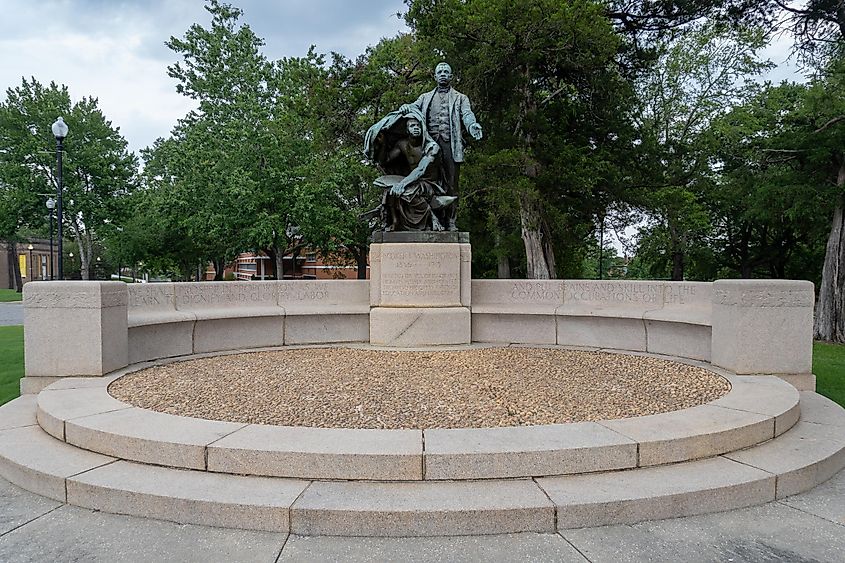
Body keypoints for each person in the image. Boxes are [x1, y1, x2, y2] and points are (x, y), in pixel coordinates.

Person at [399, 62, 483, 231]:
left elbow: (467, 114)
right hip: (429, 145)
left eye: (446, 72)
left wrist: (472, 125)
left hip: (450, 146)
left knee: (451, 185)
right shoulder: (425, 97)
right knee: (430, 183)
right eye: (440, 72)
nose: (443, 74)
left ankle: (451, 221)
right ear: (435, 76)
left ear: (451, 77)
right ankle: (432, 220)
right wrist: (406, 106)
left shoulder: (460, 98)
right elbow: (413, 108)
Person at [362, 109, 456, 231]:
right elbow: (385, 161)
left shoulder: (432, 147)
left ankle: (430, 216)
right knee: (389, 190)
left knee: (409, 189)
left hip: (429, 184)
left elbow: (421, 169)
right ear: (407, 130)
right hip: (411, 180)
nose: (416, 128)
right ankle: (393, 222)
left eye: (418, 125)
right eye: (412, 125)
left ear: (423, 128)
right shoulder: (402, 144)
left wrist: (402, 184)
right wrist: (383, 144)